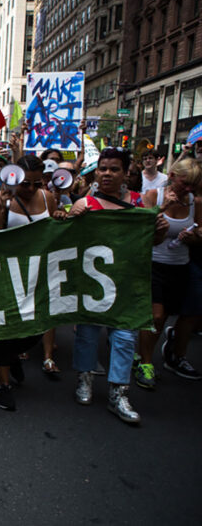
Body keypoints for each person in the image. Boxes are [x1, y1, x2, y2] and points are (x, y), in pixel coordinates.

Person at [68, 147, 168, 424]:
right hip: (92, 283)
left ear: (125, 173)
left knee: (124, 338)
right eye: (102, 168)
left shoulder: (140, 203)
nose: (107, 174)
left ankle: (118, 392)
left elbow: (152, 242)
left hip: (127, 283)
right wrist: (71, 216)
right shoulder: (86, 203)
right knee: (87, 333)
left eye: (114, 169)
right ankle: (85, 378)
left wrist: (158, 232)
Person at [0, 156, 65, 410]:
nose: (30, 189)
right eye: (25, 184)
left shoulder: (48, 198)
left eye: (36, 183)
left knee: (35, 328)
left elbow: (53, 232)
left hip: (38, 275)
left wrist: (61, 217)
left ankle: (11, 358)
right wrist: (2, 207)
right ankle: (2, 383)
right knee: (5, 331)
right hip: (7, 275)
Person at [135, 158, 202, 389]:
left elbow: (199, 232)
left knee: (168, 316)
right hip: (154, 264)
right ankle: (145, 363)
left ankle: (151, 354)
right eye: (185, 183)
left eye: (193, 185)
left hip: (180, 266)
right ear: (172, 176)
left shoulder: (195, 202)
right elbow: (141, 229)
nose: (188, 189)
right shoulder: (153, 196)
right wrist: (161, 209)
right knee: (156, 316)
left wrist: (194, 237)